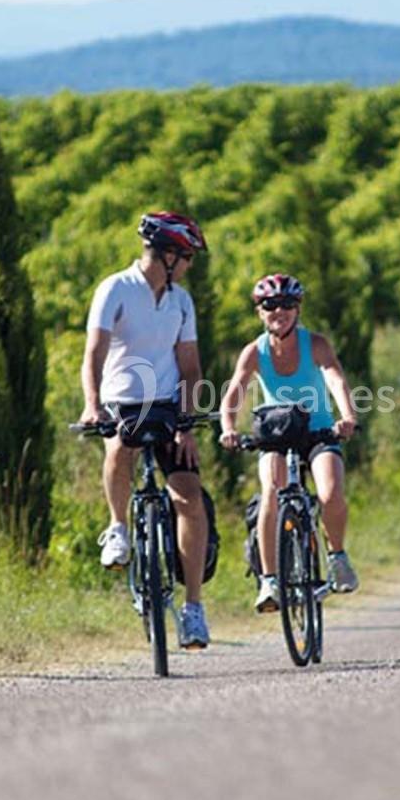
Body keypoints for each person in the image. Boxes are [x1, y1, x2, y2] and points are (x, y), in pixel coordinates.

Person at [79, 211, 213, 649]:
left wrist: (188, 424)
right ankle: (118, 528)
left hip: (168, 404)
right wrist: (92, 406)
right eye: (187, 255)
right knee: (118, 447)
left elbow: (191, 366)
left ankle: (193, 609)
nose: (190, 264)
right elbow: (94, 354)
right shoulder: (115, 289)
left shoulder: (181, 301)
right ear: (168, 254)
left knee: (189, 499)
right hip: (123, 401)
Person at [219, 273, 361, 613]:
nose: (278, 311)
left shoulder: (315, 344)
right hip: (277, 434)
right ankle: (269, 580)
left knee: (330, 492)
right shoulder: (254, 352)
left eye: (287, 305)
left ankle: (337, 555)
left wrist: (348, 416)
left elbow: (335, 378)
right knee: (271, 492)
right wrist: (228, 428)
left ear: (297, 310)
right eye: (270, 305)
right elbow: (233, 395)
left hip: (319, 431)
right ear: (259, 311)